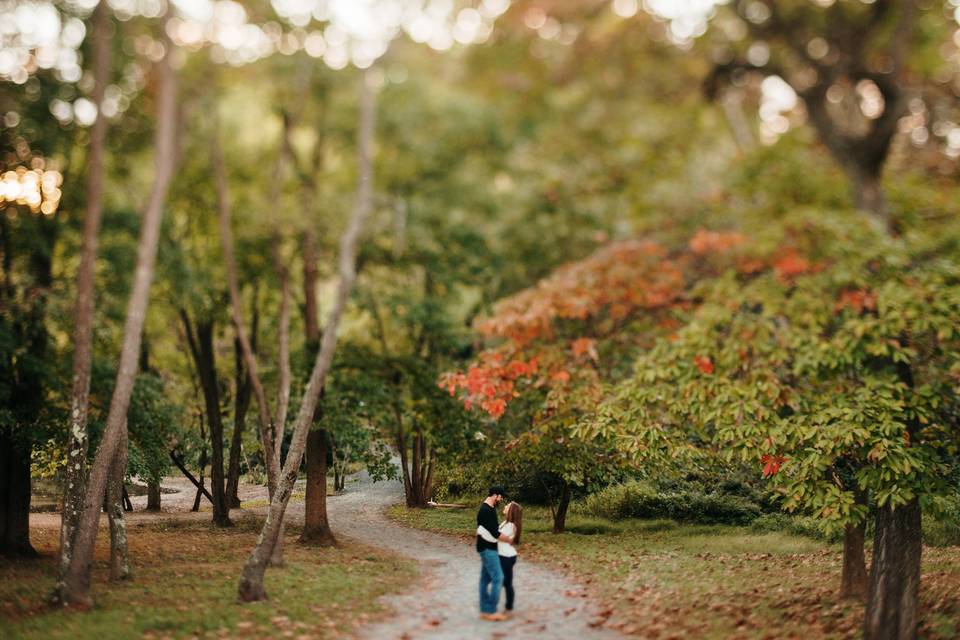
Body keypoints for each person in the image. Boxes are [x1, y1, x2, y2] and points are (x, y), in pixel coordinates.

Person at [476, 485, 511, 621]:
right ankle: (490, 611)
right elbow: (495, 533)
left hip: (487, 547)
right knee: (498, 578)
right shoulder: (485, 510)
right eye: (500, 496)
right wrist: (510, 540)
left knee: (485, 579)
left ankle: (485, 610)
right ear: (495, 495)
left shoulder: (490, 509)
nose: (501, 499)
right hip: (487, 548)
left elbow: (493, 528)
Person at [498, 501, 522, 614]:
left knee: (507, 583)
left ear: (511, 511)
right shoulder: (505, 523)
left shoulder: (511, 526)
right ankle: (508, 605)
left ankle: (509, 606)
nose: (505, 506)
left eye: (507, 506)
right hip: (503, 555)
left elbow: (498, 536)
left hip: (507, 556)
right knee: (504, 581)